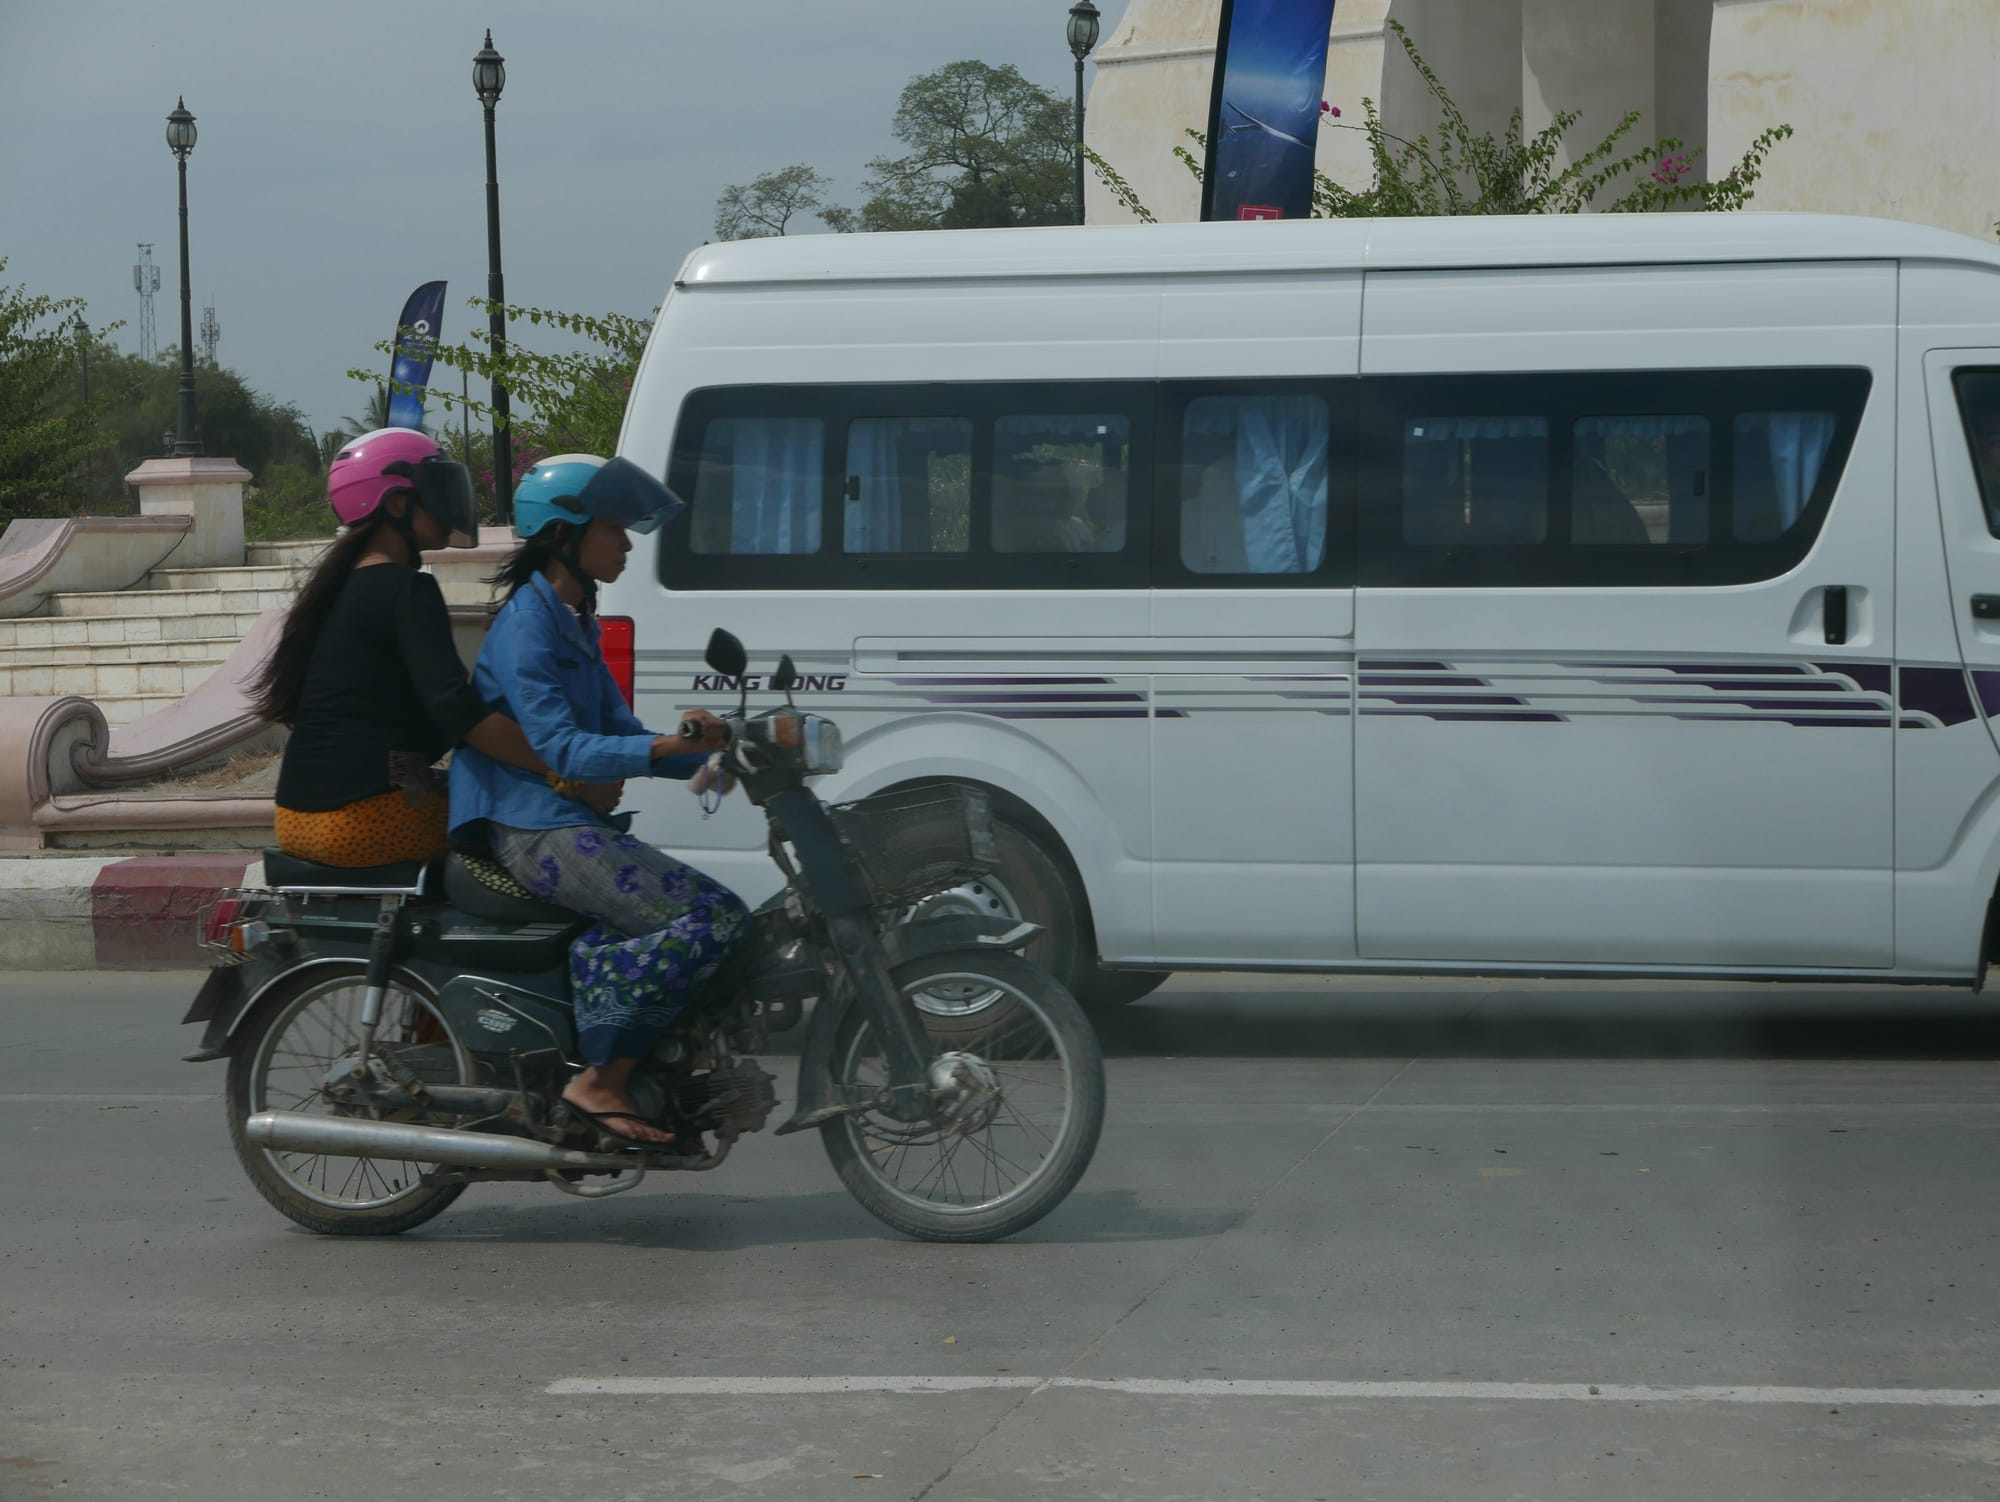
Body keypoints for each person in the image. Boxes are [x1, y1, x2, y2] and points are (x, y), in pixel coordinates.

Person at [448, 453, 748, 1146]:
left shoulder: (574, 623)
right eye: (613, 529)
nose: (627, 543)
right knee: (715, 917)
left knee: (712, 916)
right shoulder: (527, 627)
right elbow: (562, 750)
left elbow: (620, 736)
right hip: (530, 828)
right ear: (563, 535)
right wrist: (669, 749)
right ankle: (600, 1079)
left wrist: (728, 761)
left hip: (567, 820)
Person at [254, 428, 567, 868]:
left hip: (295, 817)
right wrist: (561, 769)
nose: (448, 503)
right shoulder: (408, 590)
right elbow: (460, 713)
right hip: (361, 823)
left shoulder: (335, 590)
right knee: (524, 815)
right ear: (398, 504)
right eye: (435, 490)